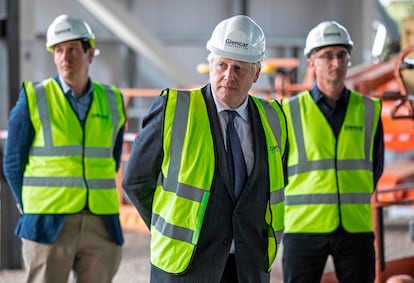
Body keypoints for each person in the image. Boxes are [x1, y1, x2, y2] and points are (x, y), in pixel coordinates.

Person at [122, 15, 288, 282]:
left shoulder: (274, 119)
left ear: (256, 73)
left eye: (239, 69)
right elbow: (135, 181)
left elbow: (274, 184)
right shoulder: (175, 111)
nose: (228, 76)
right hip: (185, 266)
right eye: (222, 65)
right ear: (210, 64)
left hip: (248, 267)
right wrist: (169, 228)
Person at [2, 14, 126, 283]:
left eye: (72, 49)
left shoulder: (113, 100)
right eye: (58, 50)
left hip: (100, 224)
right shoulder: (34, 97)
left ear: (90, 52)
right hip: (47, 223)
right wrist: (28, 205)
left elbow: (112, 158)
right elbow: (12, 161)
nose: (64, 57)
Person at [281, 21, 384, 283]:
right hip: (303, 227)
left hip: (355, 227)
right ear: (312, 62)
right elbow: (277, 169)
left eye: (342, 55)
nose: (336, 63)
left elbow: (376, 165)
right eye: (327, 56)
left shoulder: (370, 110)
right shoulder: (288, 111)